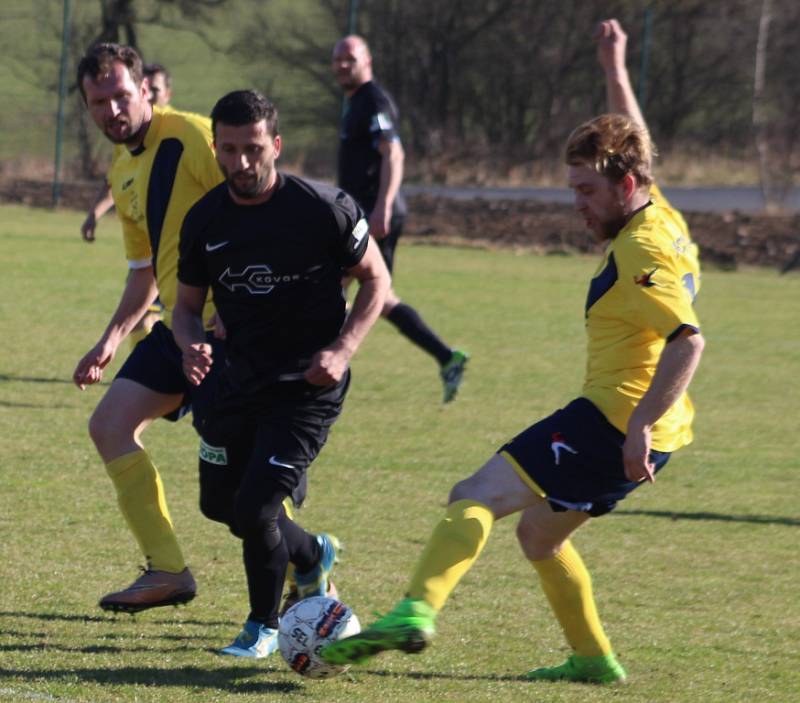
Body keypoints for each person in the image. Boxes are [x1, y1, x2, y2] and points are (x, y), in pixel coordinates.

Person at [322, 18, 705, 684]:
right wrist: (615, 69)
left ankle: (414, 610)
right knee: (539, 535)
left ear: (626, 183)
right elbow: (633, 134)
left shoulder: (641, 249)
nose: (579, 207)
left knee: (474, 492)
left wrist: (637, 424)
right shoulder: (660, 214)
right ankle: (592, 656)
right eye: (573, 190)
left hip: (618, 418)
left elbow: (688, 340)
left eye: (587, 192)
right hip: (658, 427)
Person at [172, 89, 391, 657]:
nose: (241, 163)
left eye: (252, 149)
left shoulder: (324, 207)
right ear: (216, 148)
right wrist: (191, 343)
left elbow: (376, 281)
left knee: (256, 509)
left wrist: (342, 350)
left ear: (276, 144)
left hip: (306, 387)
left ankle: (262, 627)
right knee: (219, 505)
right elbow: (187, 307)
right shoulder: (204, 220)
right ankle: (313, 555)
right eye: (229, 150)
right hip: (236, 382)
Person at [73, 43, 226, 613]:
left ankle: (305, 572)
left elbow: (258, 205)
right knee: (110, 424)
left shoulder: (192, 136)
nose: (112, 109)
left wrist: (236, 308)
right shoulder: (122, 167)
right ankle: (166, 569)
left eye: (120, 95)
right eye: (98, 102)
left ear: (145, 89)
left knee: (238, 470)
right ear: (87, 108)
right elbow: (145, 271)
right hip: (178, 327)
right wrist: (110, 339)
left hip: (233, 328)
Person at [332, 35, 469, 403]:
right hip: (363, 213)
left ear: (368, 60)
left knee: (334, 283)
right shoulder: (357, 102)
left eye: (350, 58)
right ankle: (446, 356)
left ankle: (321, 364)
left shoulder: (373, 99)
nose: (343, 65)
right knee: (382, 295)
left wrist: (383, 206)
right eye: (338, 59)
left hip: (372, 214)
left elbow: (393, 152)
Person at [80, 62, 175, 348]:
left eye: (157, 90)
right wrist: (95, 212)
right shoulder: (127, 140)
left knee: (152, 321)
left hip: (181, 257)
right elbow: (118, 183)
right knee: (141, 319)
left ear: (164, 94)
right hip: (149, 252)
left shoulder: (181, 136)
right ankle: (145, 372)